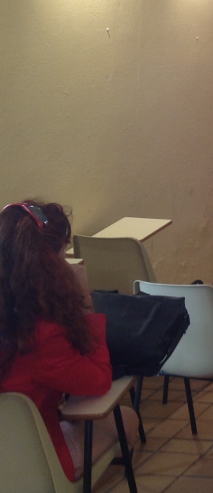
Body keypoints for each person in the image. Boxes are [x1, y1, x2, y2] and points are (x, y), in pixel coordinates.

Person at [0, 201, 139, 482]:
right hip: (36, 462)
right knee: (127, 419)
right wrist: (85, 303)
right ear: (50, 266)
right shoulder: (41, 335)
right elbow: (98, 381)